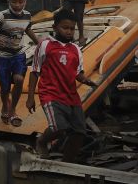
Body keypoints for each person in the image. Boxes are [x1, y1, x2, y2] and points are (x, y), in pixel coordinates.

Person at [26, 9, 98, 162]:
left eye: (72, 28)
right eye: (65, 28)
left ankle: (68, 162)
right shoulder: (45, 45)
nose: (69, 32)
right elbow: (35, 71)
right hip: (51, 94)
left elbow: (77, 73)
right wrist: (30, 97)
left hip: (71, 96)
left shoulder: (76, 49)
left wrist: (85, 80)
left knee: (79, 132)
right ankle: (41, 141)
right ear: (55, 27)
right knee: (59, 127)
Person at [0, 0, 39, 126]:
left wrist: (39, 43)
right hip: (1, 56)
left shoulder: (28, 15)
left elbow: (28, 30)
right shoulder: (2, 15)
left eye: (20, 2)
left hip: (18, 54)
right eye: (14, 2)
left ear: (25, 1)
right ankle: (5, 105)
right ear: (8, 1)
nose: (17, 5)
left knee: (19, 79)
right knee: (4, 88)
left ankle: (13, 110)